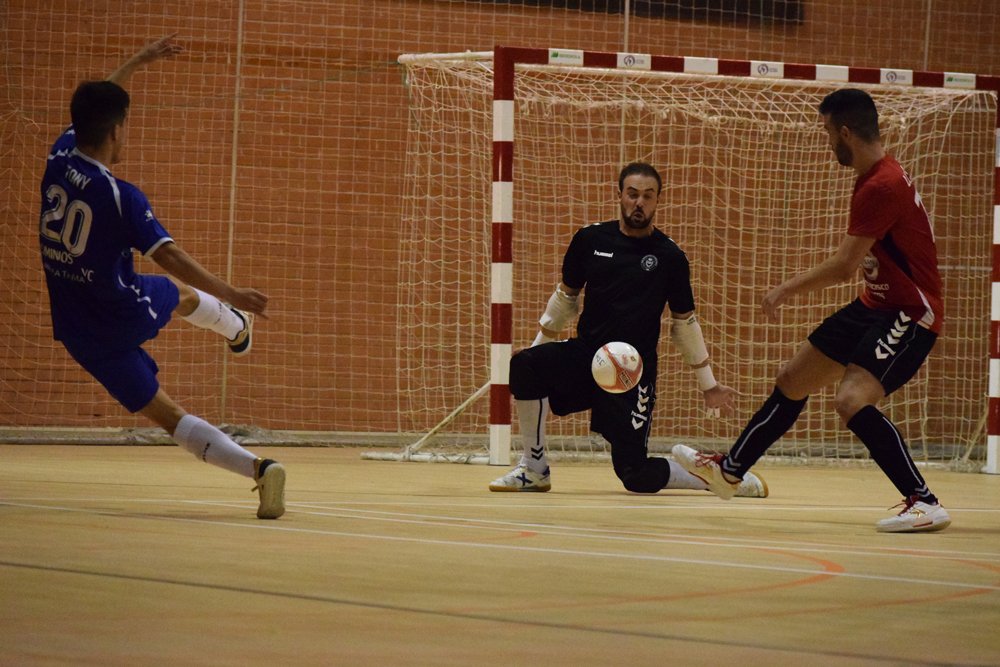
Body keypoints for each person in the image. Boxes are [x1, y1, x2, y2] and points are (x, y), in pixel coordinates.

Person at [673, 88, 950, 533]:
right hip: (876, 303)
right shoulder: (874, 175)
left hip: (910, 312)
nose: (827, 142)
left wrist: (784, 289)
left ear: (846, 132)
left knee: (851, 400)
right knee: (793, 379)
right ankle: (730, 471)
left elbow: (843, 267)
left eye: (828, 133)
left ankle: (924, 501)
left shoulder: (881, 185)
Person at [38, 35, 286, 519]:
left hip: (79, 330)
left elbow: (100, 103)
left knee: (168, 416)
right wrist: (231, 291)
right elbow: (169, 256)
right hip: (121, 309)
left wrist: (137, 61)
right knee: (175, 290)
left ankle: (261, 469)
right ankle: (235, 321)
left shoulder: (59, 155)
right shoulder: (120, 197)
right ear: (116, 131)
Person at [489, 162, 767, 498]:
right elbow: (565, 299)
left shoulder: (670, 257)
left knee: (635, 475)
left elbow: (685, 324)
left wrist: (708, 384)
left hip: (633, 373)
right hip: (588, 357)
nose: (639, 203)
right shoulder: (589, 239)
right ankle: (534, 469)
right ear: (619, 195)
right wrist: (538, 348)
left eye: (648, 196)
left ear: (658, 200)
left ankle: (718, 476)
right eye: (633, 194)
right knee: (525, 365)